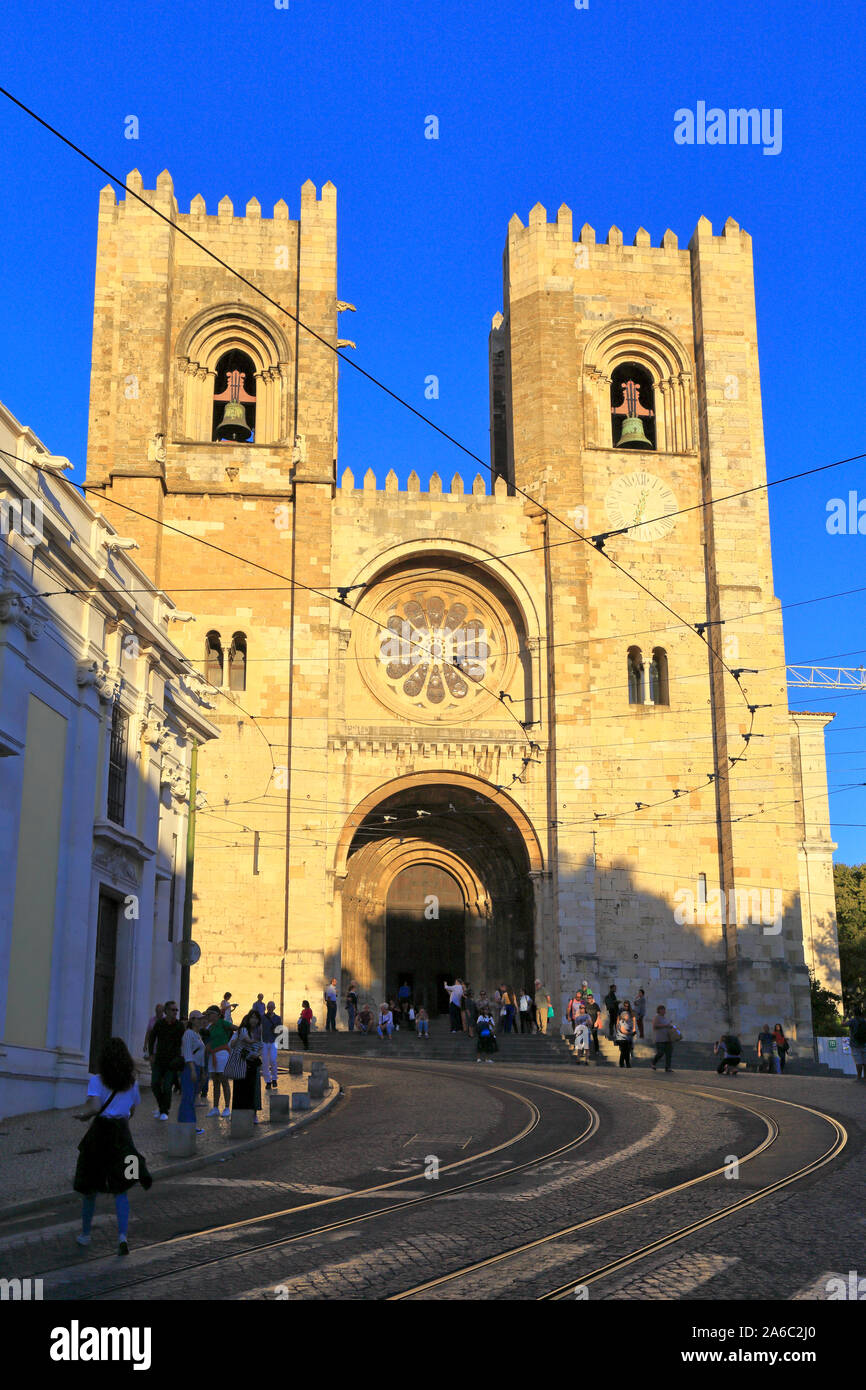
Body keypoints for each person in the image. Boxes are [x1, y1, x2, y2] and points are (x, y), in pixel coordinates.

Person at [73, 1036, 152, 1256]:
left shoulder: (97, 1080)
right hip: (122, 1136)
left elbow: (96, 1106)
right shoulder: (132, 1082)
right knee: (122, 1188)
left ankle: (86, 1235)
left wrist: (83, 1115)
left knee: (90, 1187)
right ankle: (122, 1237)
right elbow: (133, 1108)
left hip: (99, 1136)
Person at [147, 999, 184, 1120]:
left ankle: (164, 1111)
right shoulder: (159, 1024)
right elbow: (152, 1038)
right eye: (173, 1010)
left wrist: (181, 1057)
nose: (175, 1012)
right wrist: (151, 1054)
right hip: (159, 1059)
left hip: (172, 1062)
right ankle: (161, 1106)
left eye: (176, 1010)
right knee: (154, 1084)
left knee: (167, 1086)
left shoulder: (179, 1026)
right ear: (166, 1011)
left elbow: (183, 1042)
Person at [230, 1011, 263, 1122]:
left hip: (253, 1063)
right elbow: (232, 1044)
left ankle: (252, 1113)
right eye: (252, 1018)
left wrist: (257, 1054)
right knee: (239, 1089)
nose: (254, 1020)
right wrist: (239, 1039)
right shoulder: (242, 1031)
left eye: (256, 1018)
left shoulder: (259, 1032)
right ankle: (238, 1114)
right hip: (241, 1062)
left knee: (253, 1089)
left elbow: (260, 1047)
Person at [177, 1011, 205, 1133]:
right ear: (192, 1020)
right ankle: (187, 1125)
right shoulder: (188, 1034)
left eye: (201, 1019)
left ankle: (189, 1124)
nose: (201, 1021)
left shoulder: (197, 1034)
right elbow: (188, 1053)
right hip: (190, 1068)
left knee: (191, 1097)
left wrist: (202, 1071)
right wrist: (193, 1069)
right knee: (188, 1097)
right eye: (199, 1019)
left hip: (197, 1067)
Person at [205, 1006, 233, 1116]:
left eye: (210, 1014)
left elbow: (235, 1028)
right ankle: (215, 1107)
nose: (208, 1016)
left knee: (224, 1080)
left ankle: (227, 1107)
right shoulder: (209, 1027)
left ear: (216, 1014)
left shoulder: (223, 1023)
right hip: (213, 1055)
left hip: (222, 1054)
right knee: (215, 1081)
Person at [650, 1004, 678, 1072]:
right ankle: (653, 1063)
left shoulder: (665, 1018)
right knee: (660, 1052)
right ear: (659, 1010)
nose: (664, 1011)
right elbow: (655, 1026)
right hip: (659, 1039)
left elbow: (668, 1026)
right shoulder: (656, 1017)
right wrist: (665, 1025)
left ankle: (668, 1067)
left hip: (668, 1039)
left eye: (664, 1009)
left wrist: (672, 1027)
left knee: (669, 1053)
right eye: (662, 1009)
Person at [261, 1000, 282, 1090]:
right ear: (267, 1008)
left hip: (273, 1041)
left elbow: (280, 1029)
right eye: (268, 1007)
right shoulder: (262, 1017)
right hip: (264, 1041)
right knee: (265, 1062)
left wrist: (276, 1030)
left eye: (271, 1007)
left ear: (274, 1008)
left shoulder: (278, 1018)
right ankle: (268, 1081)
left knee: (273, 1060)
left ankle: (274, 1078)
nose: (270, 1008)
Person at [615, 1000, 636, 1068]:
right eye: (625, 1006)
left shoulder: (630, 1012)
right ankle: (624, 1063)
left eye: (627, 1006)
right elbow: (622, 1030)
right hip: (623, 1037)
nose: (626, 1007)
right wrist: (630, 1033)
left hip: (627, 1036)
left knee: (626, 1050)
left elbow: (633, 1019)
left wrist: (633, 1029)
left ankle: (626, 1063)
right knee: (624, 1051)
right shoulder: (622, 1019)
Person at [848, 1005, 866, 1081]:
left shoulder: (852, 1020)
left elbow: (842, 1024)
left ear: (854, 1013)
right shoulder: (864, 1020)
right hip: (864, 1043)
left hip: (855, 1044)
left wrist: (845, 1018)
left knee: (858, 1061)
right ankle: (865, 1077)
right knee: (865, 1061)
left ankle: (858, 1077)